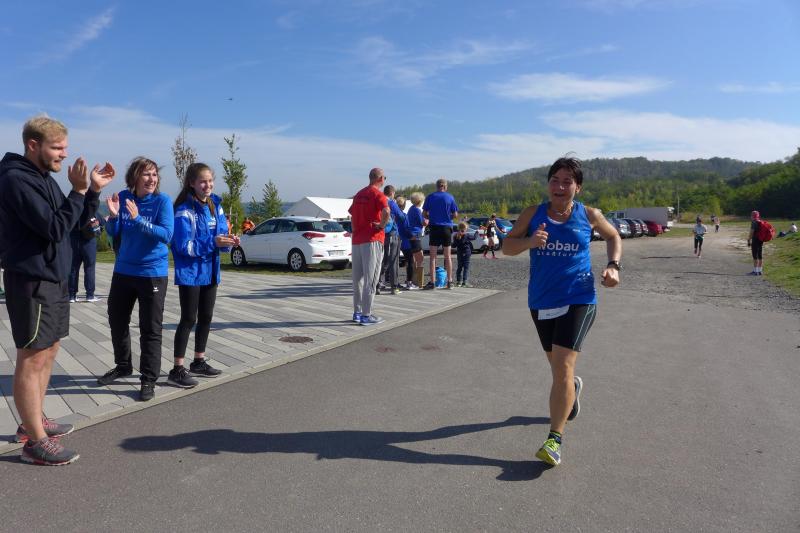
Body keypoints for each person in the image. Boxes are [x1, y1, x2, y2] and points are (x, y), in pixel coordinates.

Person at [0, 115, 115, 465]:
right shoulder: (16, 179)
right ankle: (34, 441)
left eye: (65, 147)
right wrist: (78, 191)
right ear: (33, 145)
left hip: (53, 278)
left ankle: (32, 420)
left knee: (49, 349)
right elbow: (53, 228)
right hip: (32, 280)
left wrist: (91, 192)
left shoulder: (42, 178)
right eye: (57, 148)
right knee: (32, 356)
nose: (64, 154)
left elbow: (73, 223)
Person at [502, 155, 621, 467]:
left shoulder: (589, 215)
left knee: (563, 368)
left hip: (580, 298)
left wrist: (613, 265)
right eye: (555, 180)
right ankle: (573, 390)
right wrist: (530, 241)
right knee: (559, 372)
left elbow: (613, 235)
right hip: (541, 301)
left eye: (567, 181)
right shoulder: (533, 214)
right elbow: (506, 247)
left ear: (577, 187)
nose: (560, 186)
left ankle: (554, 439)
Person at [97, 157, 174, 402]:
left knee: (150, 328)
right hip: (123, 271)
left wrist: (139, 219)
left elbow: (166, 235)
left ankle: (148, 379)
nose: (152, 179)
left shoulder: (162, 201)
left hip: (152, 273)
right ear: (134, 177)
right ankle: (123, 366)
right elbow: (114, 232)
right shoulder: (124, 197)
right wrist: (112, 217)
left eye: (154, 174)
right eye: (146, 174)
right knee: (117, 319)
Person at [168, 163, 239, 388]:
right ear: (192, 183)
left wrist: (229, 241)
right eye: (202, 181)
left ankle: (198, 361)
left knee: (206, 317)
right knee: (188, 319)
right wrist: (213, 242)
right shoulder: (183, 210)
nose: (207, 185)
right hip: (190, 272)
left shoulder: (215, 206)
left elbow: (220, 237)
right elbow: (182, 247)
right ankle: (177, 369)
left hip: (211, 271)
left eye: (210, 181)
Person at [348, 167, 390, 325]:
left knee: (357, 279)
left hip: (357, 240)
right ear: (380, 178)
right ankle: (366, 315)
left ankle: (357, 312)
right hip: (372, 239)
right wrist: (382, 225)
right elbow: (386, 211)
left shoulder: (359, 194)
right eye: (384, 177)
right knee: (371, 279)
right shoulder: (378, 194)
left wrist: (355, 231)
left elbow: (352, 215)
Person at [422, 178, 458, 290]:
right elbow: (455, 214)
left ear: (437, 186)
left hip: (435, 227)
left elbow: (424, 213)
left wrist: (431, 217)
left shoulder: (430, 197)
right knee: (448, 256)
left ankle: (432, 282)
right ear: (445, 187)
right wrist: (447, 217)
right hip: (446, 228)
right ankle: (450, 282)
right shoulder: (450, 197)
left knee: (433, 257)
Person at [68, 189, 103, 303]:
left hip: (74, 242)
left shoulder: (74, 209)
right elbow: (101, 223)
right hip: (89, 243)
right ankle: (90, 295)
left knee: (73, 268)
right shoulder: (93, 211)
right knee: (89, 268)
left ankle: (71, 295)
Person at [377, 185, 405, 295]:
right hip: (392, 234)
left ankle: (377, 285)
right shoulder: (392, 203)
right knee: (393, 260)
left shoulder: (379, 201)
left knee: (381, 260)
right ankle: (394, 286)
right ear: (392, 193)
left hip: (381, 234)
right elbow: (401, 217)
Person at [453, 221, 477, 287]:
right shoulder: (466, 235)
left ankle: (458, 282)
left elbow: (454, 245)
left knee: (459, 267)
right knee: (466, 268)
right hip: (466, 253)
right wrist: (477, 232)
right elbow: (474, 238)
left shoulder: (455, 236)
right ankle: (464, 282)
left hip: (459, 253)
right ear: (465, 228)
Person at [747, 210, 764, 275]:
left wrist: (749, 240)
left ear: (752, 216)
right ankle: (760, 271)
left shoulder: (754, 222)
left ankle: (755, 271)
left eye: (751, 215)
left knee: (755, 256)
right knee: (760, 255)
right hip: (761, 240)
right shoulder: (760, 221)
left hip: (755, 240)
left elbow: (751, 232)